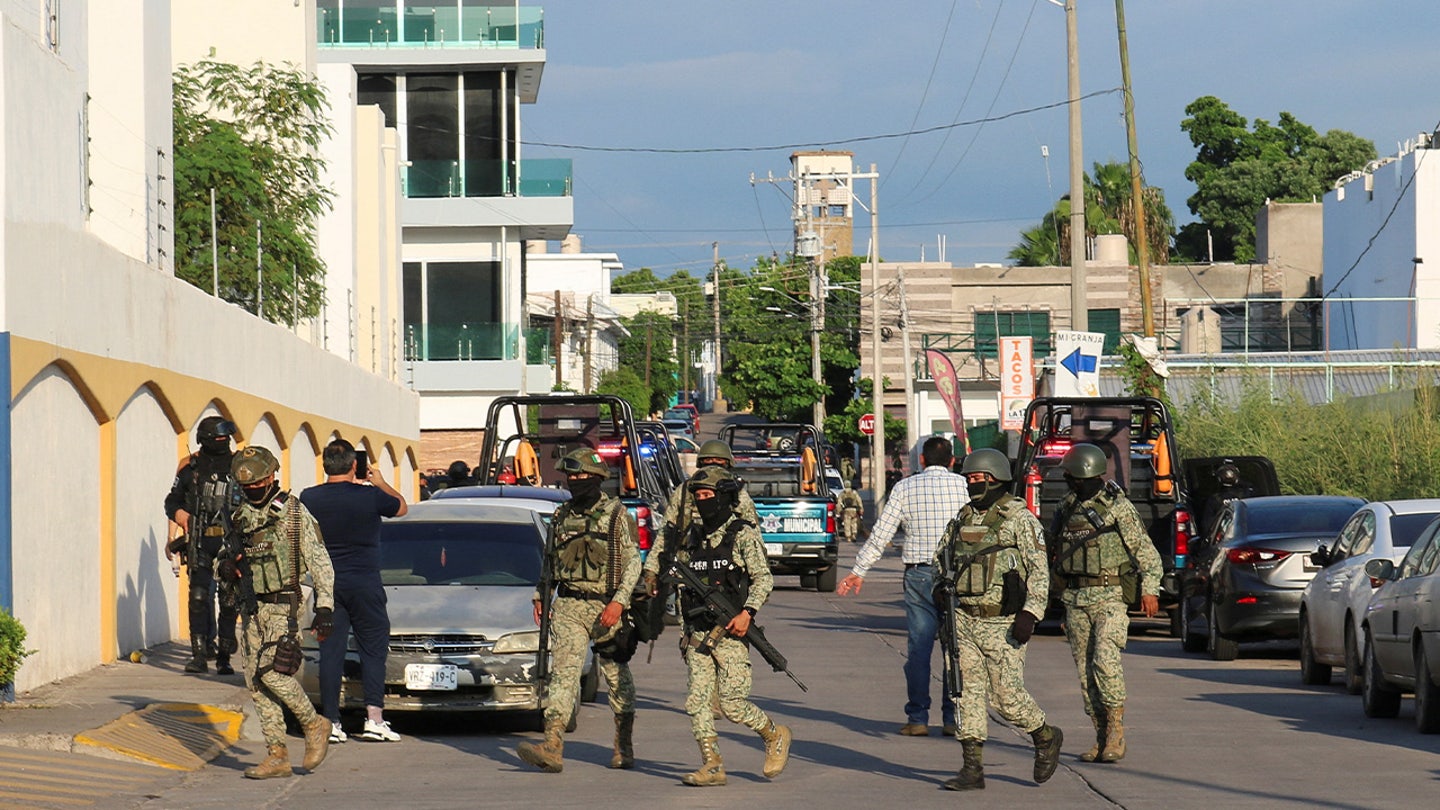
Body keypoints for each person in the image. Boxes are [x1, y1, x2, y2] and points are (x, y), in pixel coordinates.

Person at [641, 466, 791, 787]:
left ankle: (773, 734)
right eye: (697, 496)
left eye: (707, 496)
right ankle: (712, 764)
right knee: (697, 701)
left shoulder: (742, 533)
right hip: (697, 633)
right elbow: (679, 577)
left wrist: (747, 612)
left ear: (722, 498)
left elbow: (764, 579)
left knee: (733, 704)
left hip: (731, 630)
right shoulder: (691, 538)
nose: (701, 502)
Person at [933, 448, 1061, 791]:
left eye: (979, 479)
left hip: (1002, 623)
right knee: (965, 693)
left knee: (1006, 698)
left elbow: (1039, 570)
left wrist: (1031, 612)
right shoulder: (962, 517)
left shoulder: (1019, 519)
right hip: (962, 619)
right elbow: (941, 557)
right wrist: (938, 588)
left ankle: (1044, 735)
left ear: (996, 479)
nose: (973, 485)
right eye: (969, 480)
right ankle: (972, 768)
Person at [517, 448, 641, 773]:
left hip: (607, 606)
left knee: (616, 678)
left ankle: (623, 743)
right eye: (571, 477)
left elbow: (632, 564)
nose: (575, 482)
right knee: (564, 674)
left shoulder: (617, 515)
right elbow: (550, 560)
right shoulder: (560, 516)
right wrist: (540, 594)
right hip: (570, 604)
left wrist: (619, 601)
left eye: (582, 476)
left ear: (597, 478)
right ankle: (552, 744)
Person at [836, 436, 968, 737]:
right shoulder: (964, 487)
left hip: (919, 576)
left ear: (921, 460)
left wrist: (859, 571)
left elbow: (881, 534)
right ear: (951, 461)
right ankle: (953, 718)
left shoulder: (905, 488)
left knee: (920, 648)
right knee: (955, 648)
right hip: (957, 576)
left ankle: (918, 718)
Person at [223, 446, 335, 779]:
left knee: (274, 672)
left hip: (284, 605)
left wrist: (325, 606)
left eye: (257, 483)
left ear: (272, 475)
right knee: (256, 683)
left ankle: (314, 724)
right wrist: (226, 567)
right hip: (252, 607)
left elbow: (320, 561)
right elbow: (226, 558)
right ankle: (277, 754)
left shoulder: (294, 513)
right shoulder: (240, 516)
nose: (252, 490)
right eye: (246, 487)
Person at [1048, 443, 1162, 764]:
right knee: (1085, 673)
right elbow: (1052, 553)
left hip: (1109, 596)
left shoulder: (1117, 507)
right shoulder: (1066, 507)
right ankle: (1100, 737)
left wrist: (1149, 589)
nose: (1068, 480)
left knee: (1104, 660)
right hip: (1075, 599)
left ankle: (1116, 732)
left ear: (1084, 474)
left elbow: (1146, 552)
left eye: (1071, 475)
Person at [300, 440, 408, 744]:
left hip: (327, 585)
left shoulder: (309, 497)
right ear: (353, 466)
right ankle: (374, 718)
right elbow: (401, 507)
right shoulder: (371, 496)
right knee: (372, 649)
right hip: (365, 583)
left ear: (325, 466)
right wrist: (382, 482)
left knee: (330, 652)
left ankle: (331, 722)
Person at [163, 415, 241, 675]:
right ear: (206, 439)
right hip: (200, 541)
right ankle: (198, 655)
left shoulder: (240, 467)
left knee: (229, 600)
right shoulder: (191, 469)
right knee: (198, 597)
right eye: (219, 438)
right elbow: (171, 501)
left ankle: (224, 657)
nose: (224, 442)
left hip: (229, 543)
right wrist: (179, 515)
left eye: (226, 438)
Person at [660, 440, 758, 540]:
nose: (713, 464)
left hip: (728, 551)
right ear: (701, 462)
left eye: (719, 460)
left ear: (727, 463)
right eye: (708, 460)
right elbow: (665, 530)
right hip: (692, 551)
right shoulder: (685, 491)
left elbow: (752, 530)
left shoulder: (736, 492)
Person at [1201, 462, 1253, 538]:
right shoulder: (1247, 496)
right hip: (1245, 536)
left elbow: (1207, 527)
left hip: (1223, 539)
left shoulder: (1214, 499)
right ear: (1237, 479)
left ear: (1219, 479)